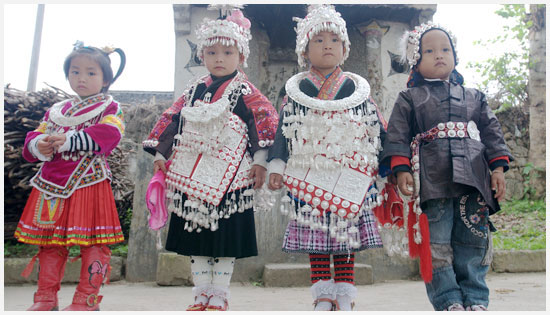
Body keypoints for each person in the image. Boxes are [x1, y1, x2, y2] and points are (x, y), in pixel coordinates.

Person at [142, 7, 278, 311]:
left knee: (224, 241)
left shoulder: (247, 92)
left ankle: (220, 294)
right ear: (202, 55)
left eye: (228, 52)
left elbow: (263, 125)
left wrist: (259, 161)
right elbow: (172, 120)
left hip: (232, 179)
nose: (220, 58)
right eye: (212, 52)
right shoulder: (193, 90)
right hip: (191, 177)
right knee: (197, 240)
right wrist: (160, 155)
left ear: (241, 57)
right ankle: (201, 293)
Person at [381, 22, 513, 311]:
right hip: (432, 180)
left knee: (474, 240)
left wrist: (499, 169)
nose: (438, 55)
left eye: (445, 49)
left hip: (474, 180)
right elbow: (397, 135)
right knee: (437, 244)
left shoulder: (475, 97)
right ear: (416, 60)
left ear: (455, 55)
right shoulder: (409, 98)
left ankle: (476, 299)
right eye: (429, 50)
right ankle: (448, 300)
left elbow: (492, 133)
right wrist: (401, 168)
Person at [267, 4, 390, 311]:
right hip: (309, 170)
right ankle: (323, 293)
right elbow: (284, 127)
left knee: (346, 235)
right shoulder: (297, 89)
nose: (327, 46)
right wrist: (276, 164)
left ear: (345, 48)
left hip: (350, 171)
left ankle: (345, 293)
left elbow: (375, 125)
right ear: (304, 50)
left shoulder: (355, 87)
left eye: (334, 40)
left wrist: (389, 164)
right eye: (319, 40)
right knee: (317, 237)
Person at [14, 42, 126, 311]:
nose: (82, 78)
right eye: (75, 72)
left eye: (90, 73)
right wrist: (38, 144)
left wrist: (69, 140)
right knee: (49, 244)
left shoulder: (110, 108)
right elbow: (34, 137)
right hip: (50, 184)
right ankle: (45, 298)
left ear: (105, 79)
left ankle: (86, 300)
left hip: (89, 182)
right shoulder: (57, 111)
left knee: (94, 244)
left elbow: (111, 136)